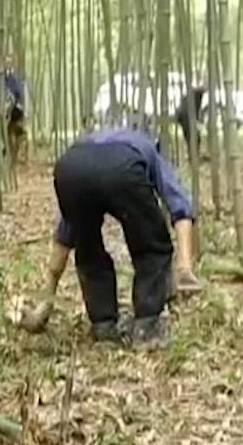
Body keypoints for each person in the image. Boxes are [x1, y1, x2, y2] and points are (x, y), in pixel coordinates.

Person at [38, 116, 200, 346]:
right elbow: (180, 208)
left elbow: (66, 233)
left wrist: (46, 301)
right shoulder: (148, 148)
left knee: (88, 247)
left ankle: (103, 325)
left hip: (69, 167)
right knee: (152, 247)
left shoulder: (89, 145)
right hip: (124, 166)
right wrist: (184, 267)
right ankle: (148, 326)